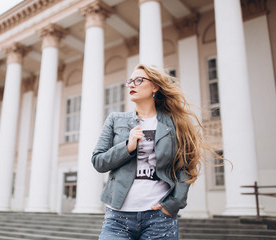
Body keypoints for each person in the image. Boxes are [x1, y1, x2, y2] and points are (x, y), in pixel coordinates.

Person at [92, 64, 217, 240]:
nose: (132, 85)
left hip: (159, 219)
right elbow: (98, 161)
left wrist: (173, 204)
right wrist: (127, 146)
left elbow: (186, 166)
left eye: (139, 80)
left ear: (155, 87)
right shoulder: (115, 120)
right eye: (130, 81)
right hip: (117, 218)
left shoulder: (173, 122)